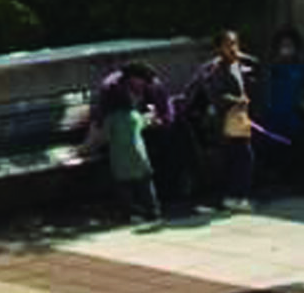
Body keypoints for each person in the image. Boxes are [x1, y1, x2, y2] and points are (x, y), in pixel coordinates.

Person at [94, 57, 193, 201]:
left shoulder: (153, 84)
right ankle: (137, 200)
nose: (143, 86)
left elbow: (167, 113)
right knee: (128, 154)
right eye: (141, 82)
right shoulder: (111, 88)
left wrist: (158, 121)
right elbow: (104, 119)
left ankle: (172, 191)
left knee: (174, 139)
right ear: (131, 79)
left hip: (152, 129)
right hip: (123, 130)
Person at [185, 28, 258, 210]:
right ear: (219, 48)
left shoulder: (242, 65)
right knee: (238, 158)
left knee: (242, 157)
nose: (233, 48)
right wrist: (237, 100)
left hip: (241, 119)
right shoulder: (215, 69)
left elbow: (251, 81)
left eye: (235, 43)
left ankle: (235, 196)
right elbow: (216, 96)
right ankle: (233, 196)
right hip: (224, 121)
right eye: (228, 44)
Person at [257, 27, 304, 188]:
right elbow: (264, 87)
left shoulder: (303, 67)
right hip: (274, 114)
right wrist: (276, 61)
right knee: (271, 140)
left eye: (289, 45)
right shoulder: (273, 68)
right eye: (283, 45)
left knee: (300, 140)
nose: (286, 49)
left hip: (295, 113)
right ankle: (276, 175)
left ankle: (300, 178)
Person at [107, 62, 162, 223]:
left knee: (124, 187)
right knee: (145, 186)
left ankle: (128, 214)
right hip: (140, 159)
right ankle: (153, 211)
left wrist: (85, 148)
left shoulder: (112, 118)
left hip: (119, 160)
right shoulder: (135, 116)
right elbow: (149, 121)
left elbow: (104, 135)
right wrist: (152, 115)